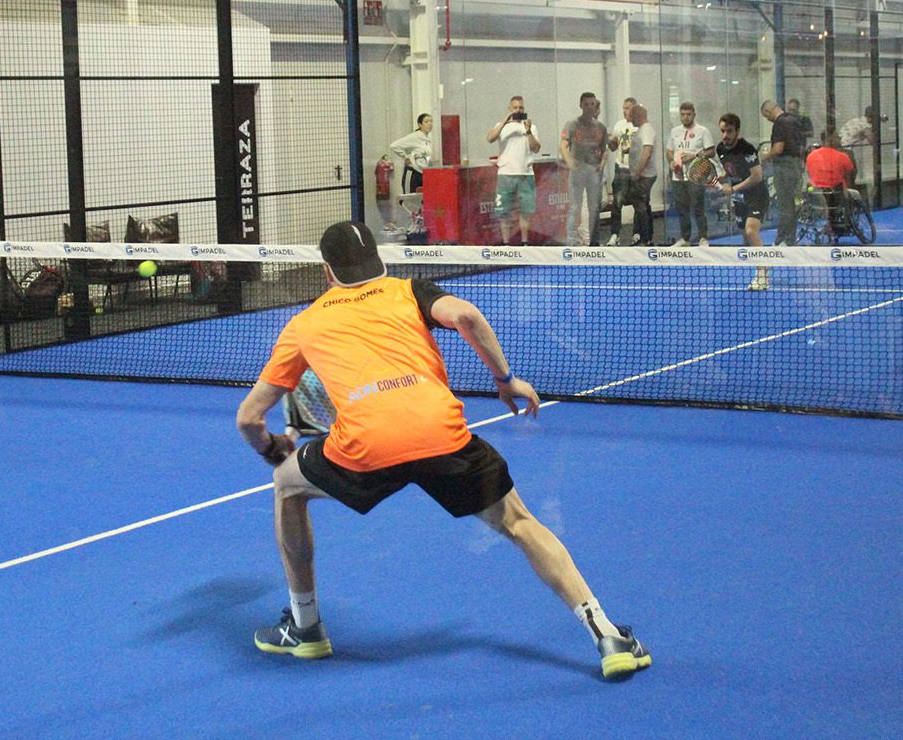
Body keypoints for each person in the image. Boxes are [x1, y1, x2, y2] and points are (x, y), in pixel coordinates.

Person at [235, 221, 653, 680]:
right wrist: (505, 379)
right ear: (378, 259)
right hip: (442, 435)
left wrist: (275, 449)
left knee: (286, 489)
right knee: (519, 523)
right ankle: (606, 634)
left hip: (363, 447)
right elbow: (468, 317)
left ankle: (305, 627)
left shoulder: (304, 323)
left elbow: (248, 418)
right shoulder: (409, 290)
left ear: (326, 272)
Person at [716, 113, 771, 290]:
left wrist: (733, 188)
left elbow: (757, 176)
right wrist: (721, 180)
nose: (725, 135)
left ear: (737, 131)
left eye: (729, 131)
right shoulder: (720, 149)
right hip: (740, 198)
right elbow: (730, 171)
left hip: (757, 195)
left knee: (751, 230)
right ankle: (761, 260)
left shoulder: (747, 148)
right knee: (746, 236)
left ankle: (763, 275)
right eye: (723, 131)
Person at [487, 96, 541, 244]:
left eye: (521, 108)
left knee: (525, 212)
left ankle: (524, 243)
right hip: (506, 174)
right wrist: (505, 121)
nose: (518, 110)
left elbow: (536, 148)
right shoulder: (501, 125)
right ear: (510, 109)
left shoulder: (531, 127)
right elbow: (490, 138)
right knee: (504, 212)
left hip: (526, 174)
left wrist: (528, 132)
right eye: (515, 108)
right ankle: (506, 244)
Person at [560, 92, 609, 245]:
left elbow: (604, 149)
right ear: (581, 105)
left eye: (592, 104)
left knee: (594, 208)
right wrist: (570, 162)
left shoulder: (601, 127)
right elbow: (563, 146)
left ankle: (594, 242)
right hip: (577, 171)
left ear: (596, 106)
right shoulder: (572, 124)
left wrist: (601, 166)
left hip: (594, 171)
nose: (589, 107)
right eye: (586, 104)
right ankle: (572, 241)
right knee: (575, 206)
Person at [667, 102, 714, 246]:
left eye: (688, 114)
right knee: (681, 208)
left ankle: (703, 237)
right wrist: (671, 162)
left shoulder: (703, 131)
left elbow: (711, 151)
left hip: (696, 175)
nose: (685, 117)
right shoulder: (674, 131)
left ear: (694, 115)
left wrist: (694, 156)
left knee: (698, 207)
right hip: (678, 176)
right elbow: (669, 151)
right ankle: (685, 238)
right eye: (683, 114)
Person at [761, 100, 806, 246]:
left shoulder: (779, 124)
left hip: (784, 167)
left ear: (768, 112)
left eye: (766, 117)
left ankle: (782, 240)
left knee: (785, 205)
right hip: (797, 165)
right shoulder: (795, 120)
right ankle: (790, 239)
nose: (768, 120)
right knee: (791, 205)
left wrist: (765, 156)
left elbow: (778, 148)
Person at [804, 131, 860, 240]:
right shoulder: (843, 156)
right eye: (837, 137)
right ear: (830, 140)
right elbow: (851, 172)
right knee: (854, 194)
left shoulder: (811, 155)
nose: (840, 139)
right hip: (837, 193)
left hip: (816, 192)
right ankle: (848, 221)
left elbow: (809, 172)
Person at [618, 102, 657, 245]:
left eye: (632, 115)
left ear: (639, 116)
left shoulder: (646, 130)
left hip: (645, 176)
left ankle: (646, 239)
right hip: (642, 175)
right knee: (641, 206)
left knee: (641, 207)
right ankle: (644, 237)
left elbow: (646, 153)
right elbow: (641, 150)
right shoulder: (641, 130)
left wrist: (637, 174)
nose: (630, 117)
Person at [603, 98, 641, 245]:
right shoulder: (619, 125)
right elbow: (613, 147)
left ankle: (637, 234)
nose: (625, 111)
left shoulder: (641, 127)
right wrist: (608, 139)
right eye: (624, 108)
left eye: (628, 108)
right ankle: (615, 235)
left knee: (638, 204)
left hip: (636, 171)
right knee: (617, 204)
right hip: (621, 170)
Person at [388, 114, 434, 231]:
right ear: (420, 125)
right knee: (410, 201)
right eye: (426, 121)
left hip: (422, 173)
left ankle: (419, 229)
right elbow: (394, 146)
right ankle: (408, 229)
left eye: (431, 121)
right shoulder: (415, 137)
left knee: (421, 202)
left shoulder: (427, 140)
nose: (430, 123)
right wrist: (405, 157)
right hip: (412, 173)